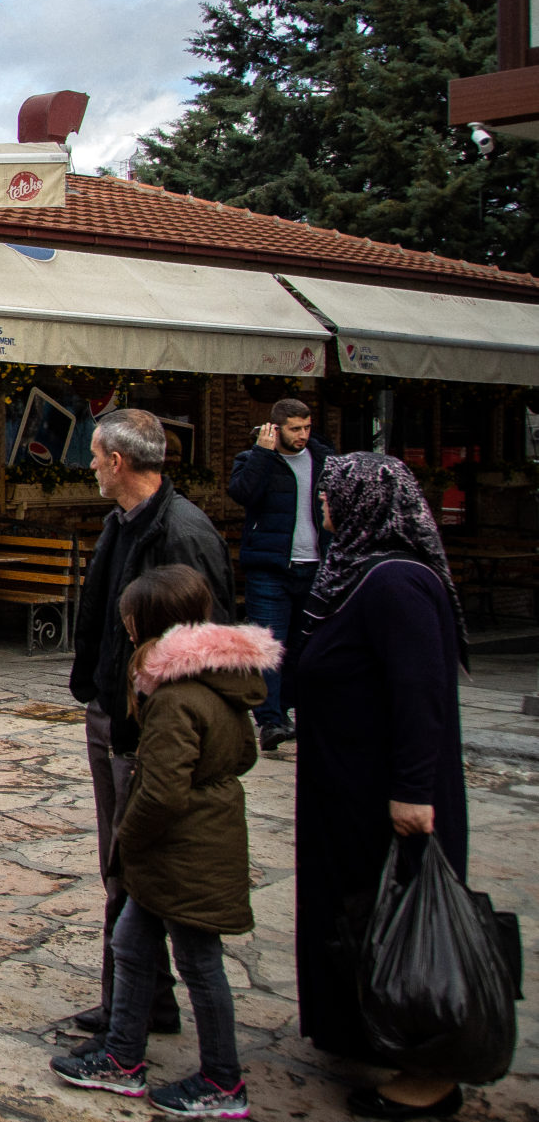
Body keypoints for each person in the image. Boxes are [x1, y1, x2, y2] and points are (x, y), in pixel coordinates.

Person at [283, 453, 472, 1121]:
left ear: (367, 502)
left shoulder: (397, 583)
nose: (324, 504)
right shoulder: (357, 571)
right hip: (347, 789)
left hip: (390, 798)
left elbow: (421, 695)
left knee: (405, 927)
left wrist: (413, 791)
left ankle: (427, 1071)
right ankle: (367, 1031)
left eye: (333, 494)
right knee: (361, 918)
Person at [53, 564, 273, 1118]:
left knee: (199, 963)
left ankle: (223, 1080)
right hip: (183, 845)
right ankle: (123, 1057)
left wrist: (129, 836)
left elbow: (165, 790)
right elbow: (242, 754)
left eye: (129, 619)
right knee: (130, 943)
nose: (123, 628)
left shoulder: (176, 697)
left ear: (146, 624)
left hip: (184, 849)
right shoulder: (215, 682)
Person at [66, 407, 234, 1034]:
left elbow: (209, 645)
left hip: (150, 728)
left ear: (117, 461)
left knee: (134, 871)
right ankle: (140, 1002)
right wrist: (94, 689)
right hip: (112, 711)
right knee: (119, 866)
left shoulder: (183, 535)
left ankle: (129, 1016)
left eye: (93, 455)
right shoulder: (122, 523)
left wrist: (160, 721)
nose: (88, 465)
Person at [226, 397, 333, 750]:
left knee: (305, 647)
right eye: (295, 429)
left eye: (306, 428)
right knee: (269, 646)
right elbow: (243, 494)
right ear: (275, 428)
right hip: (270, 569)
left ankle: (289, 709)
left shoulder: (324, 460)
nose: (302, 435)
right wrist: (263, 453)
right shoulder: (254, 460)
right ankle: (270, 721)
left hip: (314, 566)